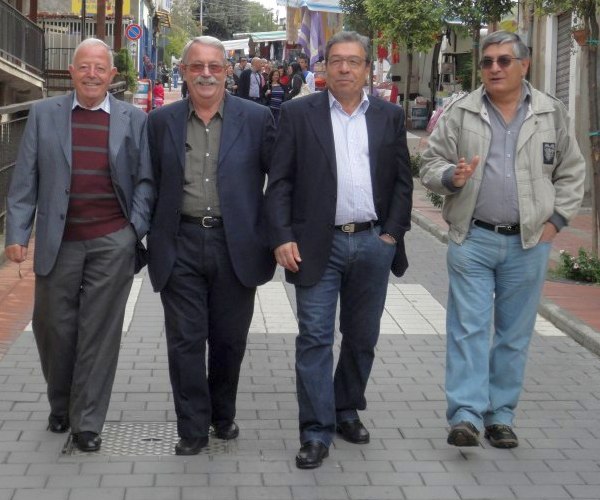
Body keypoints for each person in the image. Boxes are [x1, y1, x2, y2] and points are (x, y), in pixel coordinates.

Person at [420, 31, 586, 449]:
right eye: (487, 61)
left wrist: (556, 222)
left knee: (514, 334)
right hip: (472, 238)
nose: (494, 68)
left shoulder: (551, 112)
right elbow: (430, 162)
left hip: (528, 243)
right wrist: (450, 176)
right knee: (468, 330)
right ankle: (466, 415)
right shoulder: (460, 112)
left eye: (504, 60)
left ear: (524, 65)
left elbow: (571, 171)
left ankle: (501, 416)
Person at [265, 31, 413, 469]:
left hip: (372, 242)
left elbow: (402, 181)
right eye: (336, 61)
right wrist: (281, 236)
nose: (344, 68)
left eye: (353, 61)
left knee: (362, 336)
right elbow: (280, 182)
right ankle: (315, 430)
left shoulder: (389, 116)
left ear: (367, 69)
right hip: (316, 245)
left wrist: (391, 235)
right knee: (314, 337)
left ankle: (346, 408)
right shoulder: (297, 113)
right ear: (324, 68)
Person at [4, 38, 154, 453]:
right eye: (84, 67)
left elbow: (146, 180)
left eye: (100, 68)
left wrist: (133, 230)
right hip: (60, 241)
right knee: (53, 328)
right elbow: (25, 179)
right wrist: (16, 235)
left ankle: (87, 422)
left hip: (112, 240)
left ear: (112, 75)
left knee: (99, 334)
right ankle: (61, 403)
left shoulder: (132, 119)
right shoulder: (43, 114)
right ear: (71, 72)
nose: (92, 75)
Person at [146, 36, 276, 456]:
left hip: (235, 244)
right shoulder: (160, 122)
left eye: (214, 67)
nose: (206, 74)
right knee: (185, 340)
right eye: (197, 66)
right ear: (183, 71)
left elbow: (280, 183)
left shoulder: (257, 119)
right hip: (179, 241)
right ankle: (192, 427)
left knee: (228, 340)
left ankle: (222, 414)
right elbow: (148, 183)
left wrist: (280, 234)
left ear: (227, 72)